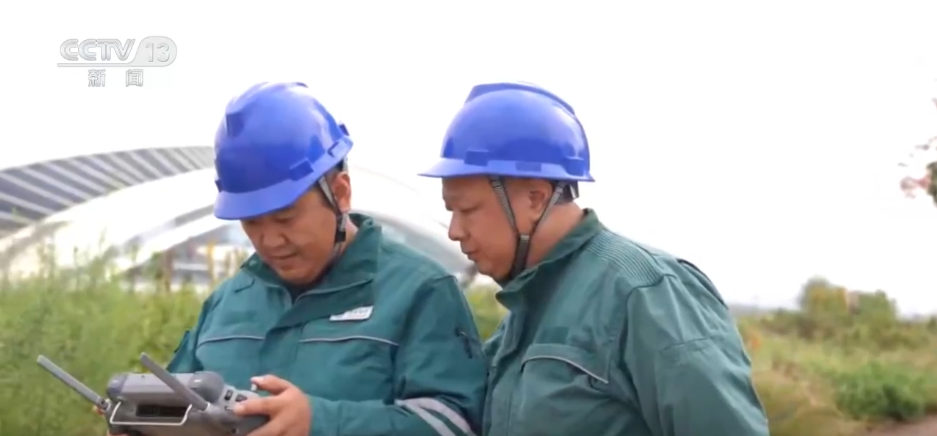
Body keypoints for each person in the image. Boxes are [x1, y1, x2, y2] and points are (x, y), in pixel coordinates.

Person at [107, 82, 486, 436]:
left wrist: (318, 422)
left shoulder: (421, 292)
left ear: (340, 193)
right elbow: (181, 404)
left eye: (286, 218)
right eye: (252, 222)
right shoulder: (227, 303)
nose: (270, 241)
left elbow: (455, 423)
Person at [417, 81, 770, 436]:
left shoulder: (646, 293)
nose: (455, 231)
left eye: (467, 209)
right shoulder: (525, 314)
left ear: (535, 198)